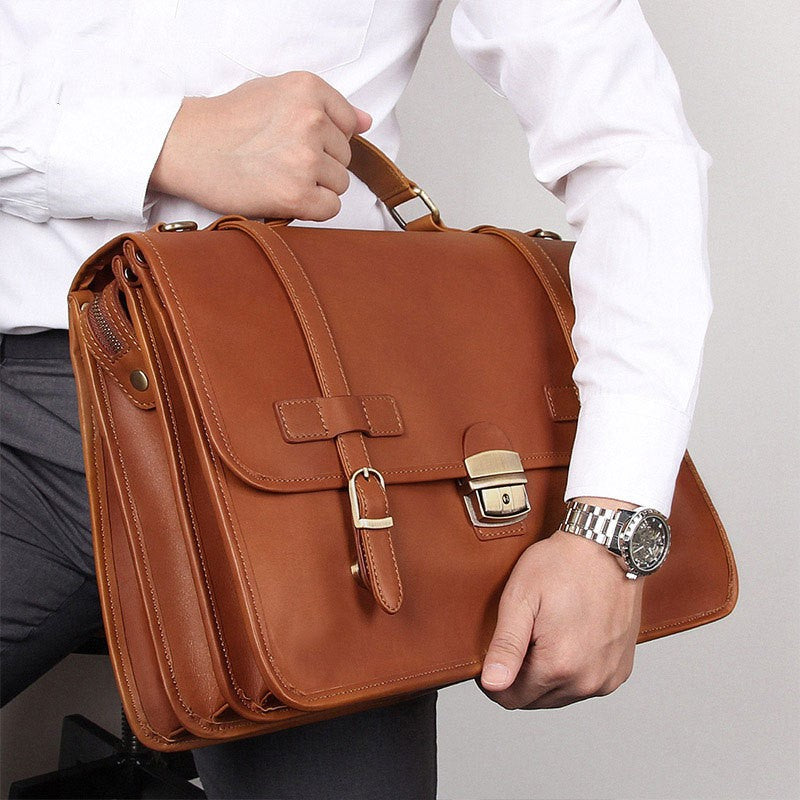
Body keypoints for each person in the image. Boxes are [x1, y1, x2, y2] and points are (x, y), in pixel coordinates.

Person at [0, 1, 712, 798]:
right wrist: (158, 144)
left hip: (315, 431)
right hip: (30, 401)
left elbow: (632, 146)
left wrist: (610, 527)